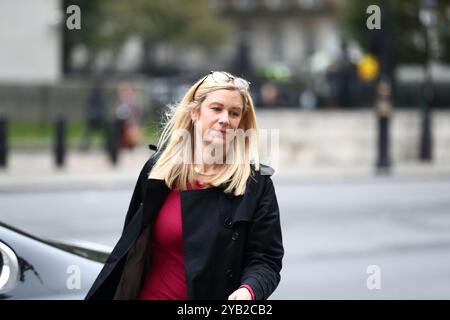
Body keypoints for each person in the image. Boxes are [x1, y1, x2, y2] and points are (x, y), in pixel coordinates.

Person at [85, 71, 284, 300]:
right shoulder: (160, 170)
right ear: (195, 112)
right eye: (216, 108)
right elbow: (132, 249)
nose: (225, 119)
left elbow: (266, 259)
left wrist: (249, 291)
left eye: (234, 113)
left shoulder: (255, 184)